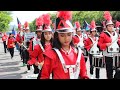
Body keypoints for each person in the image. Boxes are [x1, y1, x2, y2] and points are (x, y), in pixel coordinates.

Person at [40, 11, 89, 79]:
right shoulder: (52, 55)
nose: (66, 38)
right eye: (62, 35)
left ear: (72, 35)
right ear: (57, 36)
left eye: (69, 35)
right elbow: (44, 76)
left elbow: (84, 74)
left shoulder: (78, 53)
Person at [27, 14, 53, 79]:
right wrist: (36, 63)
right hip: (43, 70)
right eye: (46, 33)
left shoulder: (55, 45)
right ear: (43, 34)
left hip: (54, 71)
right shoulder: (38, 46)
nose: (48, 35)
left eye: (49, 33)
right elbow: (32, 57)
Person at [97, 11, 120, 79]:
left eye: (112, 25)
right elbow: (99, 45)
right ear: (106, 27)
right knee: (109, 73)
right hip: (108, 56)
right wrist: (106, 44)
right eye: (109, 26)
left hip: (116, 55)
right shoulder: (103, 34)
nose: (111, 27)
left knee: (118, 71)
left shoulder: (116, 34)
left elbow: (118, 43)